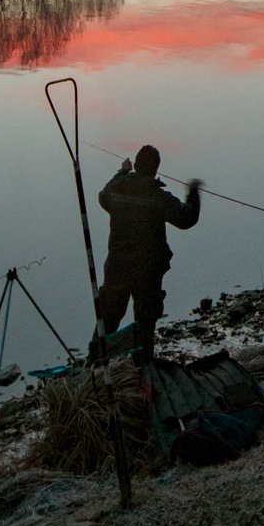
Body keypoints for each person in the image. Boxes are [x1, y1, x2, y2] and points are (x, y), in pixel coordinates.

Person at [95, 145, 201, 367]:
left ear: (135, 164)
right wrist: (193, 193)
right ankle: (144, 368)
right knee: (145, 322)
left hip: (117, 267)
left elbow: (103, 197)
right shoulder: (158, 197)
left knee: (108, 317)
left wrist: (122, 173)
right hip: (148, 270)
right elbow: (187, 219)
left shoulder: (117, 189)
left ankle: (94, 365)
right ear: (155, 169)